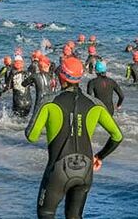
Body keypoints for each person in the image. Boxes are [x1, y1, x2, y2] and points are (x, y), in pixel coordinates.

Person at [25, 57, 123, 219]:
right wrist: (100, 156)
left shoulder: (49, 101)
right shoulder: (95, 104)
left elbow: (31, 136)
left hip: (58, 169)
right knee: (74, 216)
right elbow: (117, 136)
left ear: (61, 76)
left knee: (46, 214)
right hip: (85, 169)